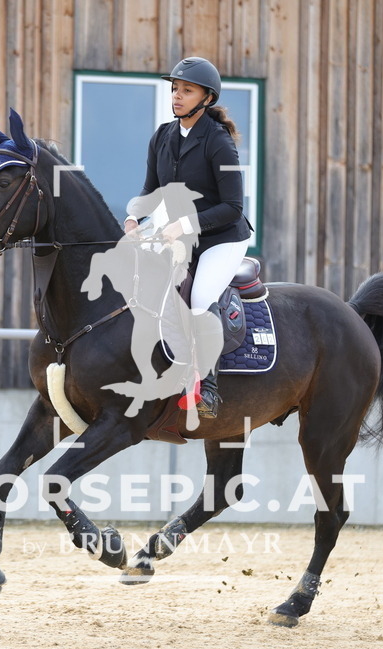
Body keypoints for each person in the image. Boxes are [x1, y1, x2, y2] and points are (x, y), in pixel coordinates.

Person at [124, 56, 253, 419]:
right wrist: (134, 217)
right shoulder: (162, 136)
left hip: (222, 239)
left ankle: (207, 389)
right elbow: (151, 191)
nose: (177, 96)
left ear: (206, 98)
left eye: (187, 90)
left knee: (197, 299)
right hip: (179, 238)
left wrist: (183, 226)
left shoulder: (220, 143)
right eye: (175, 89)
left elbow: (231, 207)